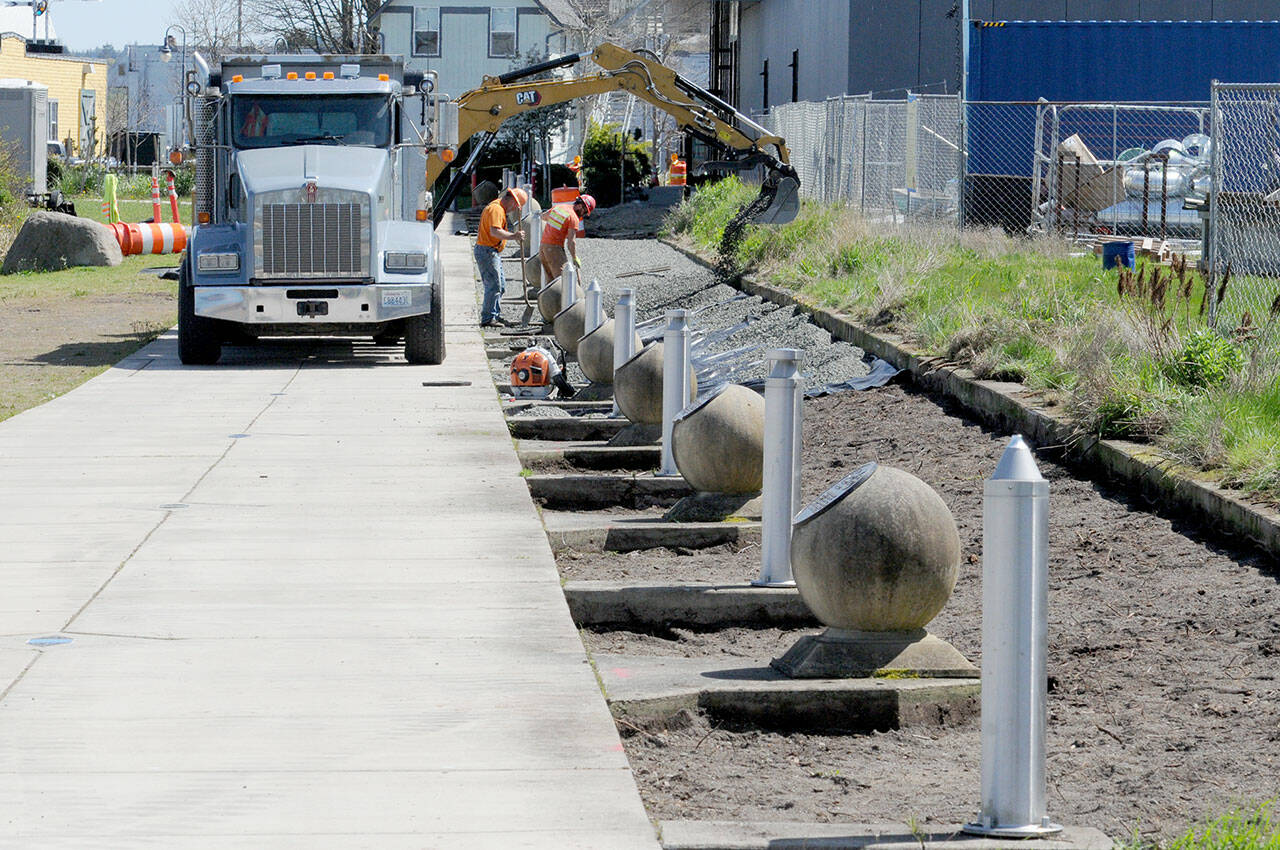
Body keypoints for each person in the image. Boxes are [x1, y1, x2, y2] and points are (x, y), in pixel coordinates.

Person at [475, 187, 527, 328]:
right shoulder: (496, 209)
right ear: (512, 202)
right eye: (516, 206)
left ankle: (494, 315)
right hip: (487, 251)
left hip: (491, 251)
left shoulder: (498, 208)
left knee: (500, 286)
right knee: (494, 285)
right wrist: (514, 236)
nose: (514, 209)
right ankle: (488, 318)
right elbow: (495, 231)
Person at [539, 194, 595, 283]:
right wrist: (574, 257)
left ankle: (551, 297)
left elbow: (543, 216)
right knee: (564, 281)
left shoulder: (559, 207)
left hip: (543, 247)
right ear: (580, 206)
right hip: (554, 249)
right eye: (584, 211)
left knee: (551, 282)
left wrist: (558, 226)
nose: (583, 215)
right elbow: (571, 242)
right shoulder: (573, 218)